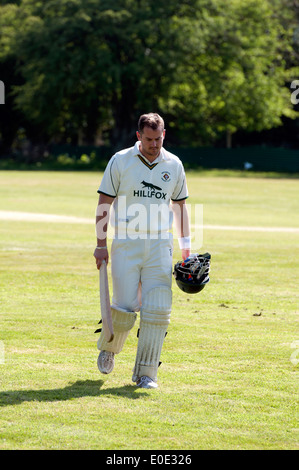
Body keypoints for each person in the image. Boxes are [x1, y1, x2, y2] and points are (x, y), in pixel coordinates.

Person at [93, 113, 191, 389]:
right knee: (124, 306)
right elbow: (104, 204)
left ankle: (146, 373)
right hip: (126, 241)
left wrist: (187, 250)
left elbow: (180, 207)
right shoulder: (120, 160)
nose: (154, 145)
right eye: (148, 139)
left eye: (158, 139)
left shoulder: (173, 164)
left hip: (160, 243)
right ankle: (110, 348)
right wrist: (100, 245)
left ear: (164, 135)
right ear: (138, 136)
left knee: (158, 309)